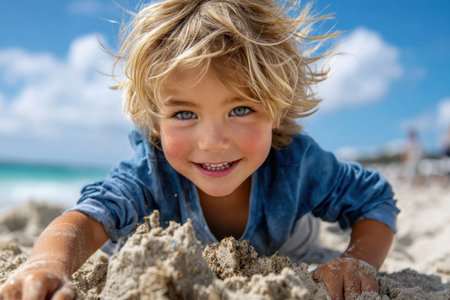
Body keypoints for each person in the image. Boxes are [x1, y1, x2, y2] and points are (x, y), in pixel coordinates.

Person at [0, 0, 399, 299]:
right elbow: (84, 218)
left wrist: (357, 258)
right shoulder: (150, 172)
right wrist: (46, 264)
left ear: (276, 109)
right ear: (155, 120)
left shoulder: (298, 164)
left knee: (307, 226)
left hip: (293, 237)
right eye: (185, 113)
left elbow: (374, 198)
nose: (211, 141)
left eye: (240, 109)